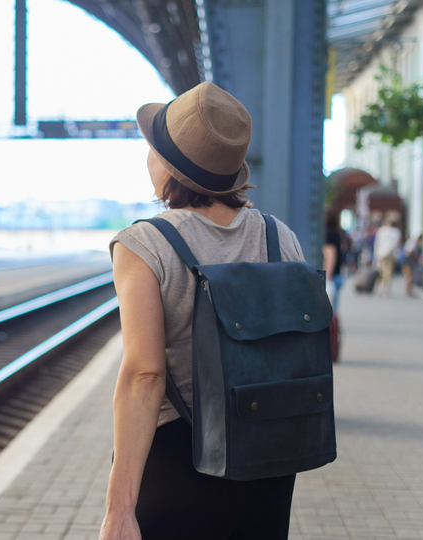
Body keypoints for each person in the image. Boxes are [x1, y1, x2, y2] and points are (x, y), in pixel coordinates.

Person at [101, 82, 304, 540]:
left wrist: (119, 506)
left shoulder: (144, 243)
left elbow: (144, 375)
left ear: (169, 167)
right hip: (266, 452)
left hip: (178, 453)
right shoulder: (280, 236)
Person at [373, 216, 401, 296]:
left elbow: (377, 243)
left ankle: (378, 287)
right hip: (390, 254)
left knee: (380, 270)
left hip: (380, 253)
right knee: (388, 272)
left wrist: (377, 254)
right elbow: (396, 245)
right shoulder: (396, 232)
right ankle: (386, 287)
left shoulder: (381, 231)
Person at [323, 212, 346, 307]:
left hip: (330, 276)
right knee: (334, 309)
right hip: (338, 274)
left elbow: (330, 256)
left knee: (328, 309)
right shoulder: (338, 234)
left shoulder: (328, 235)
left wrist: (327, 278)